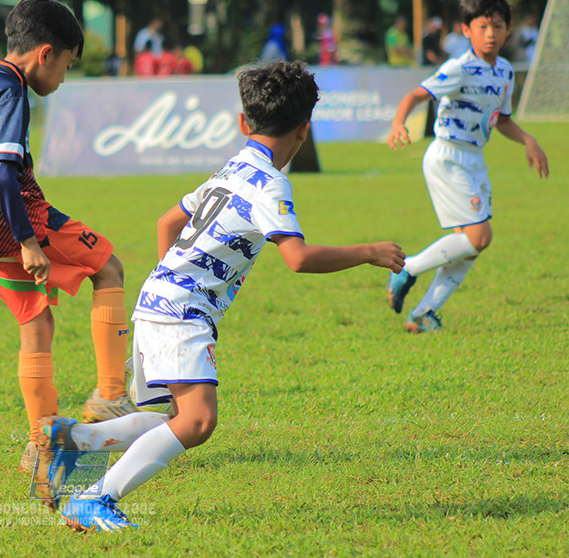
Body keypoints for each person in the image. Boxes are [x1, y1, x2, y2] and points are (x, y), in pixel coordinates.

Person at [31, 60, 404, 529]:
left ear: (243, 124)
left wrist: (171, 281)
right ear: (304, 131)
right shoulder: (271, 182)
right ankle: (95, 498)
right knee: (198, 422)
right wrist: (368, 251)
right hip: (180, 313)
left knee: (167, 416)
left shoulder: (234, 167)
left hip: (156, 300)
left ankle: (71, 438)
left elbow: (168, 221)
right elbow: (298, 258)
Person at [0, 0, 136, 475]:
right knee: (108, 266)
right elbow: (5, 173)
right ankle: (112, 396)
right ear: (45, 54)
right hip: (10, 217)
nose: (64, 78)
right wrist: (28, 241)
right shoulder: (11, 90)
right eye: (68, 66)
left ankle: (41, 442)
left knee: (36, 325)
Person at [385, 0, 548, 334]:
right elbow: (416, 94)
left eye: (498, 26)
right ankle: (407, 269)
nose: (491, 34)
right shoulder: (459, 67)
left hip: (474, 159)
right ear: (467, 30)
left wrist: (527, 140)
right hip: (448, 156)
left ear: (508, 29)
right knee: (480, 237)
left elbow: (501, 119)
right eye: (483, 27)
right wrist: (399, 122)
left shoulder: (504, 71)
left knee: (469, 248)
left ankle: (423, 314)